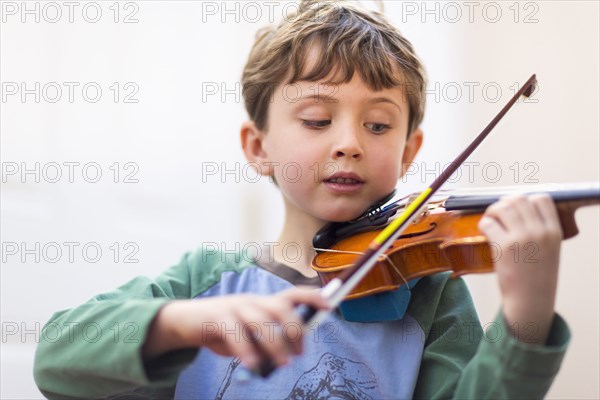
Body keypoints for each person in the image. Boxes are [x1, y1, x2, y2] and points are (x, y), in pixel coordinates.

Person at [33, 1, 570, 398]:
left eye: (378, 124)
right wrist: (184, 323)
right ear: (258, 146)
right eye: (317, 119)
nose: (349, 143)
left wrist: (527, 315)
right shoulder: (208, 280)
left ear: (409, 153)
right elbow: (57, 359)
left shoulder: (430, 299)